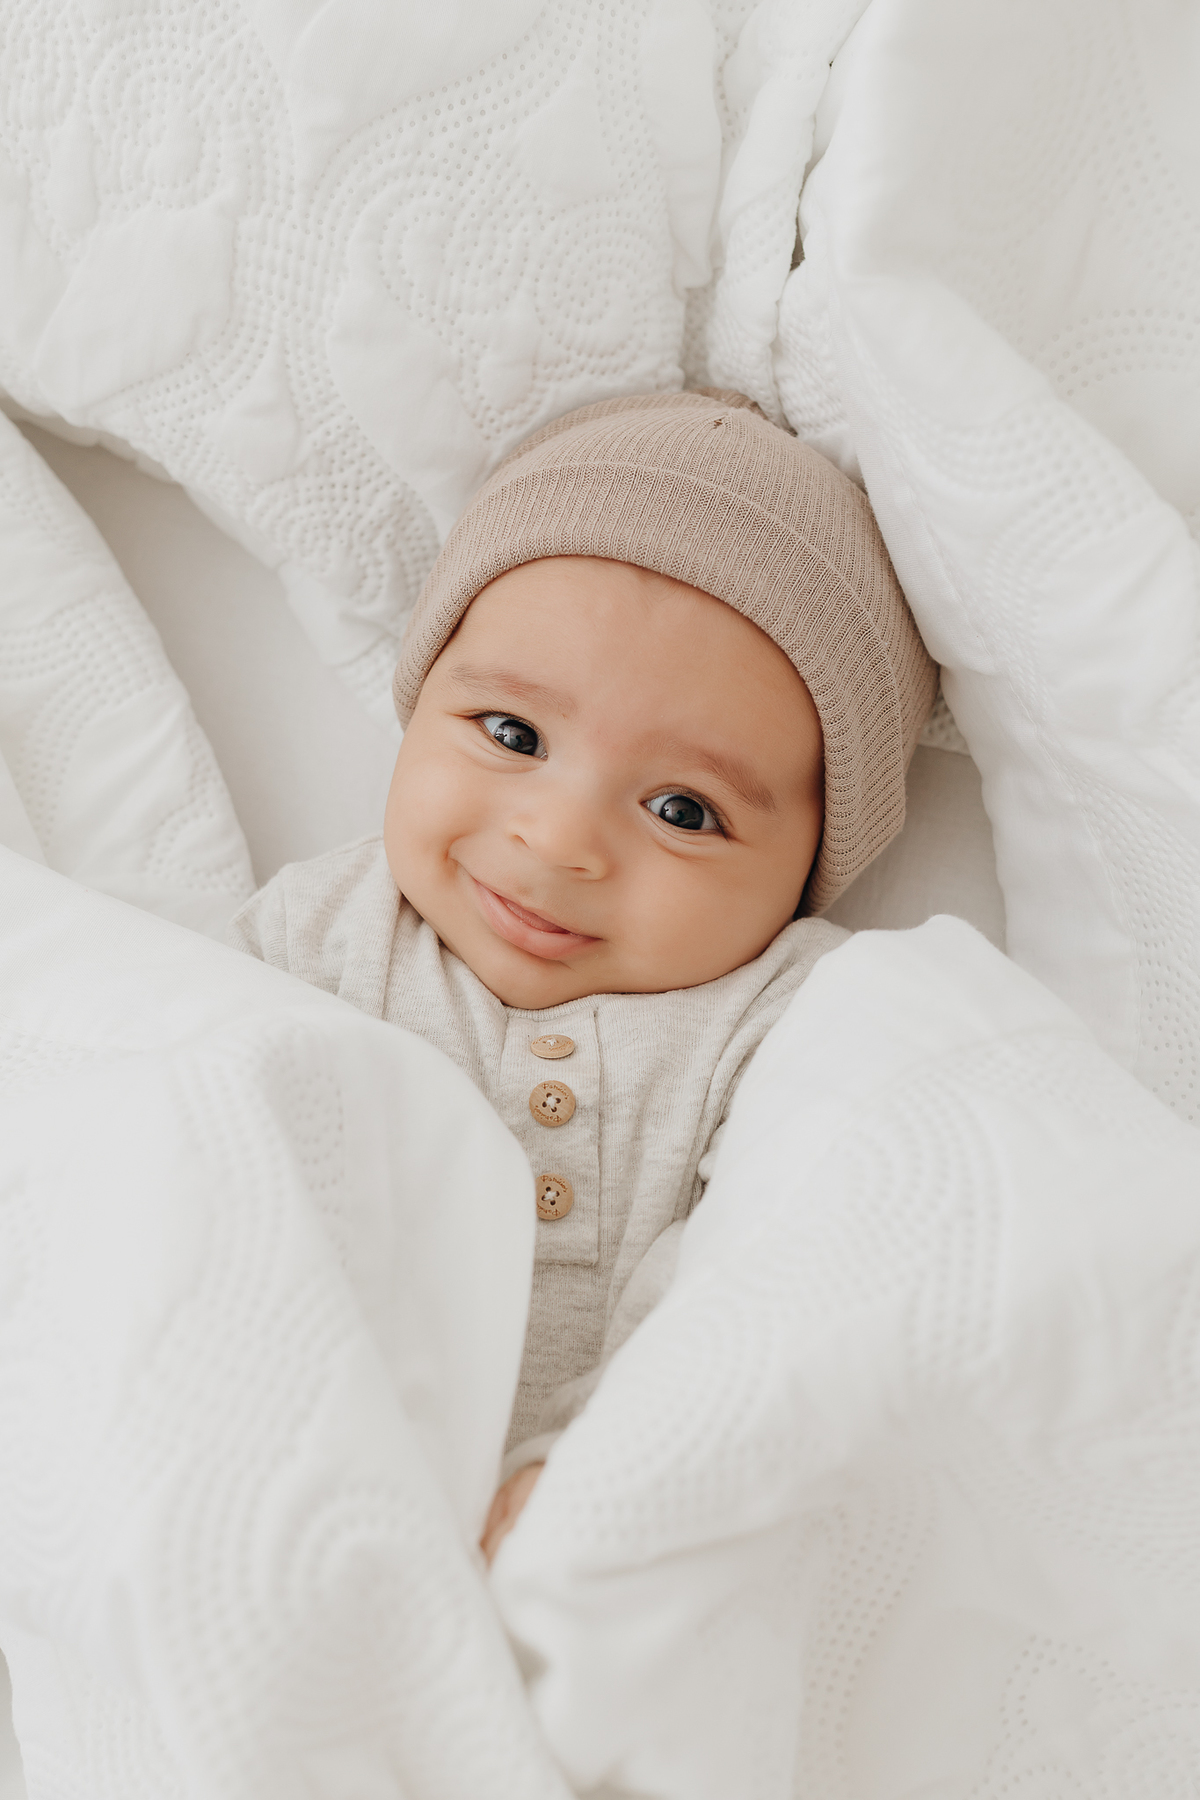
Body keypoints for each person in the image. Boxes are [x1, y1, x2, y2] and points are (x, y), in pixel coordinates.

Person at [229, 389, 937, 1562]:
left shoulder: (787, 1024)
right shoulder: (321, 930)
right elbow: (182, 1144)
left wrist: (593, 1458)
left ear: (815, 867)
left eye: (683, 811)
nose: (559, 840)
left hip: (616, 1542)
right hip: (270, 1462)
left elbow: (782, 1268)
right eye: (511, 734)